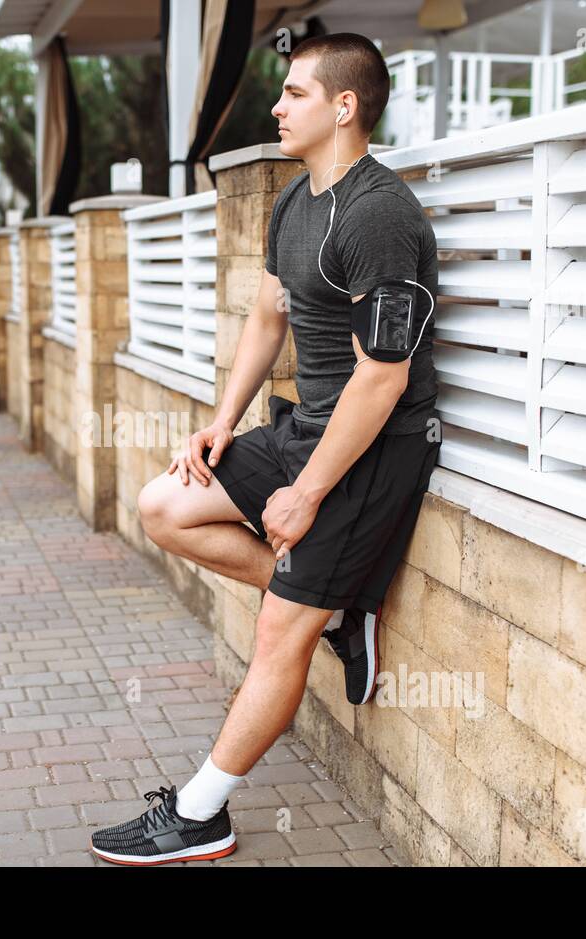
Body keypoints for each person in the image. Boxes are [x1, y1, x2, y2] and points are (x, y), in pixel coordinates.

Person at [88, 32, 441, 866]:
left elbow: (382, 382)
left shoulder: (379, 215)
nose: (276, 108)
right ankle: (340, 606)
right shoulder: (294, 202)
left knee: (277, 631)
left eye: (293, 94)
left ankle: (201, 813)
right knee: (164, 505)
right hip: (302, 428)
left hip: (371, 451)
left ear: (344, 106)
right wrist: (222, 418)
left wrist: (308, 493)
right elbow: (266, 317)